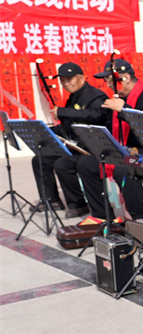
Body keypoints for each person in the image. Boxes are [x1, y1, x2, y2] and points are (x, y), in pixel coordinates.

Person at [76, 59, 143, 221]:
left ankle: (142, 219)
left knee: (124, 169)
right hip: (126, 149)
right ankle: (102, 216)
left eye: (110, 80)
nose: (108, 85)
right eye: (107, 81)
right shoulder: (121, 98)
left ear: (125, 78)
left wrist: (124, 109)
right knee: (86, 164)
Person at [35, 62, 110, 218]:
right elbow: (68, 126)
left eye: (70, 79)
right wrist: (44, 131)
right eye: (62, 80)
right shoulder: (73, 98)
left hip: (92, 148)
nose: (66, 83)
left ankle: (78, 204)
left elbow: (95, 115)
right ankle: (51, 200)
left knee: (63, 164)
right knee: (40, 159)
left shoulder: (96, 96)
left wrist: (63, 112)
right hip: (75, 146)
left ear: (81, 78)